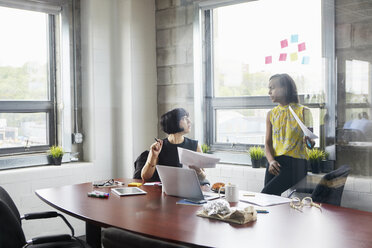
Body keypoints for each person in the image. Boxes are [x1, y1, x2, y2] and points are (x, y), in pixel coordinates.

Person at [261, 74, 315, 196]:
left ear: (285, 88)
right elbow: (267, 144)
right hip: (275, 163)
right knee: (269, 200)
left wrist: (308, 142)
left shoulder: (304, 112)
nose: (269, 92)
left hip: (296, 165)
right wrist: (271, 161)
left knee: (265, 195)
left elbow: (310, 146)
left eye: (272, 88)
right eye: (269, 88)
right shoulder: (271, 114)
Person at [141, 108, 207, 183]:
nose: (189, 121)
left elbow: (203, 178)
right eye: (184, 119)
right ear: (174, 123)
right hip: (165, 190)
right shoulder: (159, 147)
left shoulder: (195, 145)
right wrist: (153, 156)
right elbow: (145, 177)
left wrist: (199, 171)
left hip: (188, 190)